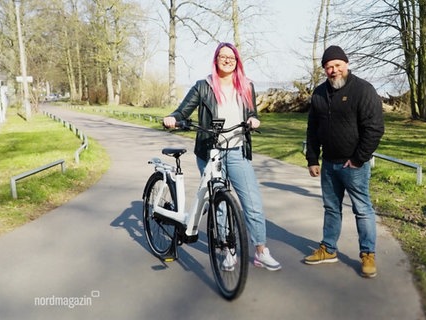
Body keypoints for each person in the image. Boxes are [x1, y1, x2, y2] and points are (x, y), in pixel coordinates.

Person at [163, 42, 281, 271]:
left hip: (237, 150)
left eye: (232, 57)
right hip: (209, 152)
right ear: (216, 59)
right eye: (223, 56)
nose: (227, 60)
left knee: (253, 203)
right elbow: (182, 110)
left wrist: (254, 119)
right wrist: (172, 118)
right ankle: (227, 249)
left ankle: (260, 251)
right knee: (220, 206)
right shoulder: (203, 86)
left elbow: (251, 113)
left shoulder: (246, 86)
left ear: (237, 61)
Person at [304, 45, 385, 278]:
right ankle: (328, 249)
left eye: (338, 65)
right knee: (331, 208)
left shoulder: (363, 90)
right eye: (329, 67)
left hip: (354, 166)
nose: (334, 70)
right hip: (328, 164)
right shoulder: (319, 93)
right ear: (324, 70)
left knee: (362, 209)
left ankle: (368, 254)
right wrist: (312, 158)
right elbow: (313, 129)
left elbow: (375, 128)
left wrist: (359, 159)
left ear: (346, 65)